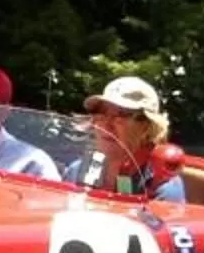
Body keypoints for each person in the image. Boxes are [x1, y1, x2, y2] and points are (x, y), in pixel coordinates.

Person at [78, 73, 187, 204]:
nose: (106, 124)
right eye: (101, 113)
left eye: (121, 115)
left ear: (147, 127)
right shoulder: (79, 170)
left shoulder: (161, 186)